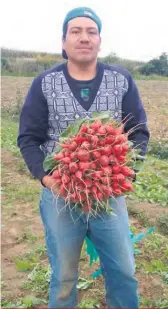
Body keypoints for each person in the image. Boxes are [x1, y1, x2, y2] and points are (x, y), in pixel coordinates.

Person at [17, 7, 150, 308]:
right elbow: (28, 138)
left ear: (100, 41)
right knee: (63, 275)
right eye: (75, 31)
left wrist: (127, 173)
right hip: (61, 194)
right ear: (63, 42)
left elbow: (139, 133)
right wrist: (46, 177)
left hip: (109, 195)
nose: (84, 38)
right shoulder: (44, 83)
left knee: (125, 271)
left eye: (91, 31)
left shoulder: (122, 79)